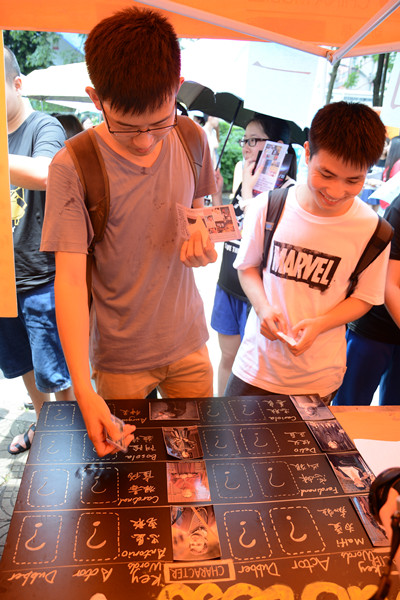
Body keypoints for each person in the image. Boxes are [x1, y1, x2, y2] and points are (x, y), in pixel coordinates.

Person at [40, 7, 217, 457]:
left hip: (189, 341)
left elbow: (197, 217)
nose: (144, 140)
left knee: (195, 461)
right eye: (127, 126)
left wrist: (201, 242)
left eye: (158, 122)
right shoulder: (73, 165)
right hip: (119, 359)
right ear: (95, 99)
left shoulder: (192, 139)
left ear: (177, 90)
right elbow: (69, 282)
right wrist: (83, 389)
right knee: (126, 470)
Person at [225, 101, 390, 404]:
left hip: (318, 376)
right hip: (256, 366)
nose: (336, 191)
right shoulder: (268, 206)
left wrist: (320, 325)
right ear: (307, 152)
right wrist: (262, 308)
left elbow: (365, 297)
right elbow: (247, 267)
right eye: (326, 174)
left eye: (353, 180)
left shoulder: (374, 230)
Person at [0, 47, 74, 455]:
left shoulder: (44, 127)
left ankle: (68, 444)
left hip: (41, 278)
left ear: (17, 84)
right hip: (4, 281)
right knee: (23, 366)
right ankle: (45, 428)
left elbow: (47, 173)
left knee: (56, 374)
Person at [211, 115, 297, 394]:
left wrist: (248, 192)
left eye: (253, 140)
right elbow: (225, 233)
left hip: (258, 297)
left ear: (277, 147)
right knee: (227, 358)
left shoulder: (289, 192)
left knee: (248, 370)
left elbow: (259, 245)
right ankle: (221, 416)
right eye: (244, 140)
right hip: (227, 284)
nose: (245, 148)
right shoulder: (246, 178)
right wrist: (216, 195)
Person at [333, 191, 400, 406]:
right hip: (376, 327)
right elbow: (390, 284)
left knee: (394, 413)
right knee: (349, 407)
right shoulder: (398, 209)